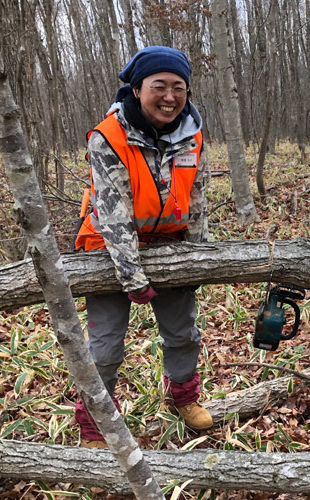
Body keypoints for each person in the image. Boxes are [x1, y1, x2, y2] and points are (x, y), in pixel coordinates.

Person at [74, 46, 212, 448]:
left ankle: (184, 397)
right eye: (160, 86)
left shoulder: (194, 135)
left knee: (183, 333)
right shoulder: (109, 137)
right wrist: (132, 277)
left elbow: (199, 198)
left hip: (170, 244)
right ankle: (94, 422)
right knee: (104, 347)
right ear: (137, 89)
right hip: (107, 248)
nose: (170, 97)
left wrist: (199, 259)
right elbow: (114, 214)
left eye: (179, 88)